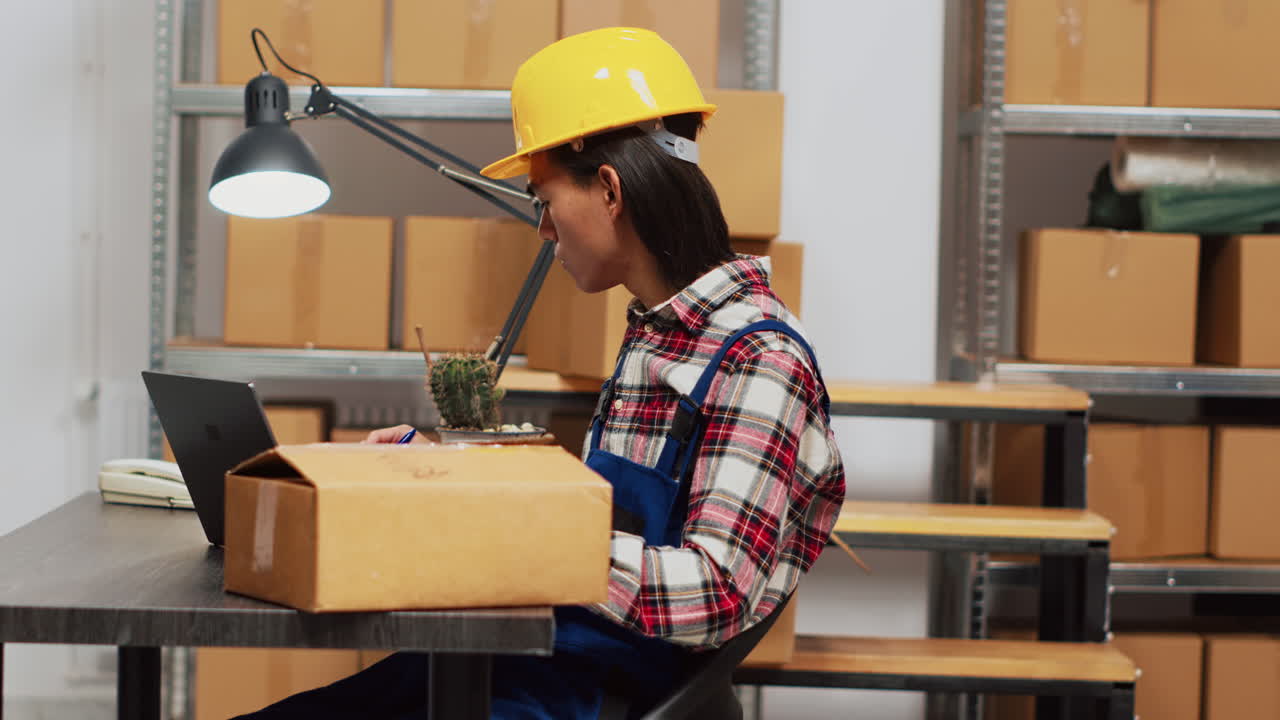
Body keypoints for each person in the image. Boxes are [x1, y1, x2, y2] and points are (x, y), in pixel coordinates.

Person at [236, 26, 845, 720]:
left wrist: (517, 530)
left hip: (591, 693)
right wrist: (446, 476)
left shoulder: (758, 362)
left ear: (609, 190)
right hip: (539, 654)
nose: (543, 229)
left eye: (543, 200)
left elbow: (714, 593)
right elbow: (603, 517)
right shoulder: (657, 334)